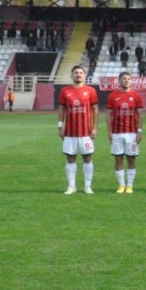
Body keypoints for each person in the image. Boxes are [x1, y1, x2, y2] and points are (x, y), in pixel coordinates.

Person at [57, 65, 99, 194]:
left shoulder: (90, 91)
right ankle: (71, 186)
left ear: (84, 75)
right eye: (76, 72)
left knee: (87, 158)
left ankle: (87, 186)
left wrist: (95, 128)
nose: (78, 75)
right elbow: (62, 109)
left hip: (86, 132)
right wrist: (60, 126)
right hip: (70, 132)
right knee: (70, 158)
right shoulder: (65, 91)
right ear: (71, 75)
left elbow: (95, 110)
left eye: (81, 73)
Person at [106, 70, 142, 193]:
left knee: (131, 159)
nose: (126, 80)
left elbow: (140, 114)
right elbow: (109, 115)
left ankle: (130, 185)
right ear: (119, 80)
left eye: (128, 78)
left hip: (132, 133)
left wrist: (139, 131)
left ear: (131, 81)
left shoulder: (136, 96)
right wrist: (109, 132)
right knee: (118, 159)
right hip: (116, 133)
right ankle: (121, 185)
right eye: (124, 78)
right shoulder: (112, 96)